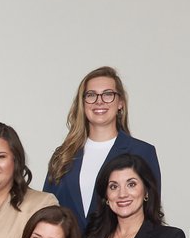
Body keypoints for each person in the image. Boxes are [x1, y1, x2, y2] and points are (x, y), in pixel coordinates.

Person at [43, 66, 161, 226]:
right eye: (91, 95)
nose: (99, 101)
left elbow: (150, 212)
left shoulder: (142, 152)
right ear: (82, 103)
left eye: (107, 94)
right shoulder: (63, 155)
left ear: (120, 103)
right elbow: (47, 212)